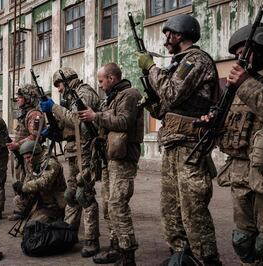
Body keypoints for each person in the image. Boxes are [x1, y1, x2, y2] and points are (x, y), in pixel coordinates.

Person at [136, 14, 221, 265]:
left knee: (193, 208)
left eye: (168, 34)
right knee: (170, 209)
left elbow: (172, 93)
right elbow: (165, 109)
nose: (165, 40)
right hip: (174, 143)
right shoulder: (178, 64)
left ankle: (207, 259)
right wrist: (151, 99)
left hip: (189, 145)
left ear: (179, 35)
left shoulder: (195, 60)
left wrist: (151, 68)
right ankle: (181, 257)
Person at [205, 24, 263, 265]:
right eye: (235, 55)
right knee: (243, 240)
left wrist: (245, 83)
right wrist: (212, 122)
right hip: (241, 177)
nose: (238, 60)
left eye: (244, 53)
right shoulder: (240, 88)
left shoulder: (248, 84)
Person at [78, 62, 143, 265]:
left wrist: (96, 115)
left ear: (112, 78)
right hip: (109, 158)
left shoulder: (129, 94)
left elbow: (124, 121)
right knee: (108, 205)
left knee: (117, 204)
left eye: (101, 81)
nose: (100, 85)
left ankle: (127, 253)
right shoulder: (111, 98)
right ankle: (116, 247)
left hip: (123, 159)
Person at [40, 67, 101, 257]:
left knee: (85, 195)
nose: (58, 90)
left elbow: (76, 121)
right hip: (73, 152)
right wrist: (54, 130)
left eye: (59, 85)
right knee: (71, 194)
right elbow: (67, 127)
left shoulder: (84, 93)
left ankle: (92, 240)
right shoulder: (70, 98)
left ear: (67, 81)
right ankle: (68, 233)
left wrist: (54, 108)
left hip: (86, 152)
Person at [6, 84, 44, 221]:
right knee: (21, 181)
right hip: (22, 154)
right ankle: (22, 209)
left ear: (28, 98)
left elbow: (36, 136)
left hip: (30, 154)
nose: (17, 100)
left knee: (27, 182)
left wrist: (18, 144)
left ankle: (26, 210)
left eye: (20, 97)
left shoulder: (34, 114)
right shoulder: (25, 113)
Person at [12, 140, 66, 223]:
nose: (27, 160)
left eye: (28, 157)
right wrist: (22, 189)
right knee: (18, 200)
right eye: (25, 158)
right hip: (39, 199)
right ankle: (33, 213)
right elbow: (29, 178)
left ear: (36, 154)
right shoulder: (33, 161)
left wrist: (24, 187)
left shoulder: (51, 162)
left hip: (52, 202)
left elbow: (44, 182)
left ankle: (54, 217)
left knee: (33, 225)